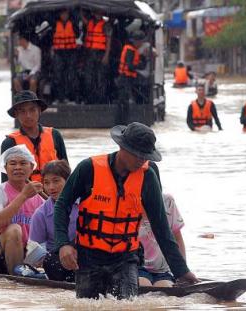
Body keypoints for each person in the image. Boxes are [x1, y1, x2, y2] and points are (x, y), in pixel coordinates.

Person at [54, 122, 199, 300]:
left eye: (146, 156)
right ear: (122, 147)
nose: (142, 160)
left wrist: (182, 271)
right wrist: (63, 244)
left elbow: (161, 228)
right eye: (138, 155)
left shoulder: (148, 178)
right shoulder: (88, 168)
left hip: (126, 259)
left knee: (127, 305)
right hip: (89, 258)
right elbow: (62, 205)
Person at [0, 145, 44, 274]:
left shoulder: (39, 199)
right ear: (5, 168)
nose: (18, 167)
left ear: (31, 168)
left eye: (23, 163)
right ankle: (17, 278)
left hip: (27, 257)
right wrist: (23, 196)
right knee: (14, 229)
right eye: (12, 163)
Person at [1, 90, 68, 182]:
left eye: (32, 110)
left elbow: (66, 172)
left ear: (39, 111)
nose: (28, 115)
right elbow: (5, 180)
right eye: (22, 111)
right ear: (16, 114)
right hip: (25, 194)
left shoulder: (55, 135)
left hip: (54, 192)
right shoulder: (9, 142)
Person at [29, 160, 78, 282]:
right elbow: (34, 252)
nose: (51, 187)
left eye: (56, 181)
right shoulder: (40, 214)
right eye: (46, 183)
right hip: (58, 262)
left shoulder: (86, 204)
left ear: (69, 181)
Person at [138, 193, 186, 287]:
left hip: (163, 271)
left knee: (165, 287)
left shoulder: (167, 201)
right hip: (137, 267)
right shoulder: (127, 201)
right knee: (143, 284)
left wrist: (183, 271)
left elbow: (178, 239)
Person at [81, 9, 112, 104]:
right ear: (93, 13)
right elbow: (83, 20)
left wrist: (106, 55)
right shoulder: (90, 22)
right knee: (89, 77)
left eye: (100, 12)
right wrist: (80, 10)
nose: (98, 14)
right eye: (97, 12)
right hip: (90, 54)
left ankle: (100, 100)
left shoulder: (106, 25)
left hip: (100, 53)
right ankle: (90, 99)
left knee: (100, 78)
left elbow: (108, 41)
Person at [116, 30, 147, 124]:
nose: (141, 44)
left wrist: (143, 59)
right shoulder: (130, 50)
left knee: (124, 101)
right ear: (136, 41)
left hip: (127, 79)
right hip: (125, 78)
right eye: (140, 42)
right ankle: (121, 123)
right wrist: (139, 65)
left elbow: (138, 65)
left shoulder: (133, 50)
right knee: (123, 102)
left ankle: (122, 122)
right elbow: (130, 66)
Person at [51, 9, 80, 103]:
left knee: (71, 76)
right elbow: (50, 37)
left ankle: (71, 97)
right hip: (59, 54)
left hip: (71, 53)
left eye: (66, 14)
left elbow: (78, 34)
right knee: (58, 77)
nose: (64, 16)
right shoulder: (54, 24)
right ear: (59, 14)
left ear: (68, 14)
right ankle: (59, 98)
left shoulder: (73, 24)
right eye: (62, 14)